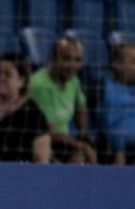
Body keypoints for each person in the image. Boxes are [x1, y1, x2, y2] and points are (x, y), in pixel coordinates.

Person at [0, 52, 52, 163]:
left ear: (22, 81)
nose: (1, 78)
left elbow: (41, 159)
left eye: (7, 74)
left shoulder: (33, 112)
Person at [29, 36, 98, 164]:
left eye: (77, 60)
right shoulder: (39, 85)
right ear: (53, 59)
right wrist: (80, 145)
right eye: (66, 59)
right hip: (43, 141)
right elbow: (49, 132)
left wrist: (83, 134)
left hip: (64, 141)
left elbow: (81, 105)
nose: (72, 65)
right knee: (78, 157)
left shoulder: (73, 81)